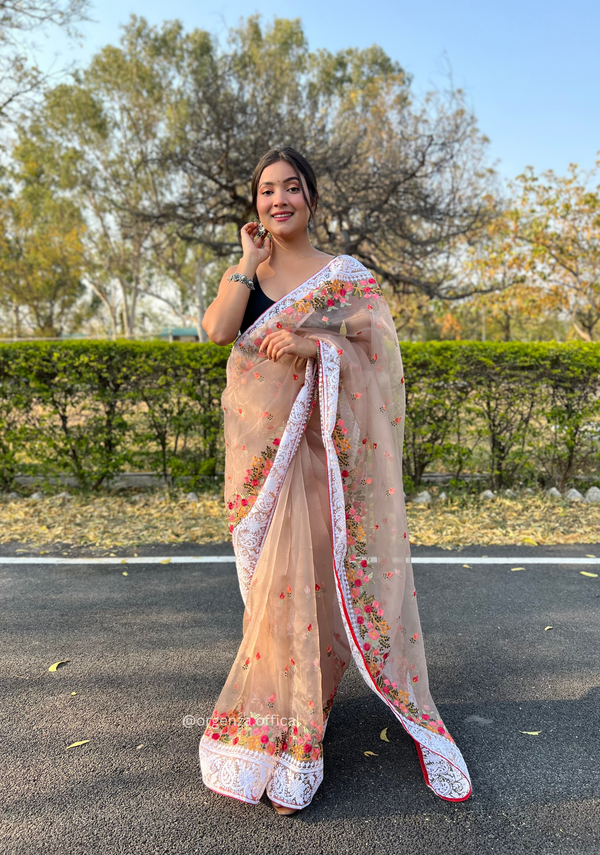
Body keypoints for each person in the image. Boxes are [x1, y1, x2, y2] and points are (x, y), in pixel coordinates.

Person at [199, 146, 472, 815]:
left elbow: (376, 336)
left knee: (316, 597)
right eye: (266, 191)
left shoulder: (341, 275)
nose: (278, 200)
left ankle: (304, 738)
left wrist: (312, 339)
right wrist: (246, 258)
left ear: (311, 198)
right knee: (274, 599)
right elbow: (216, 332)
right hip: (267, 465)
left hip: (329, 464)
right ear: (255, 204)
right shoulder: (252, 269)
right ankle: (277, 723)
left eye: (291, 188)